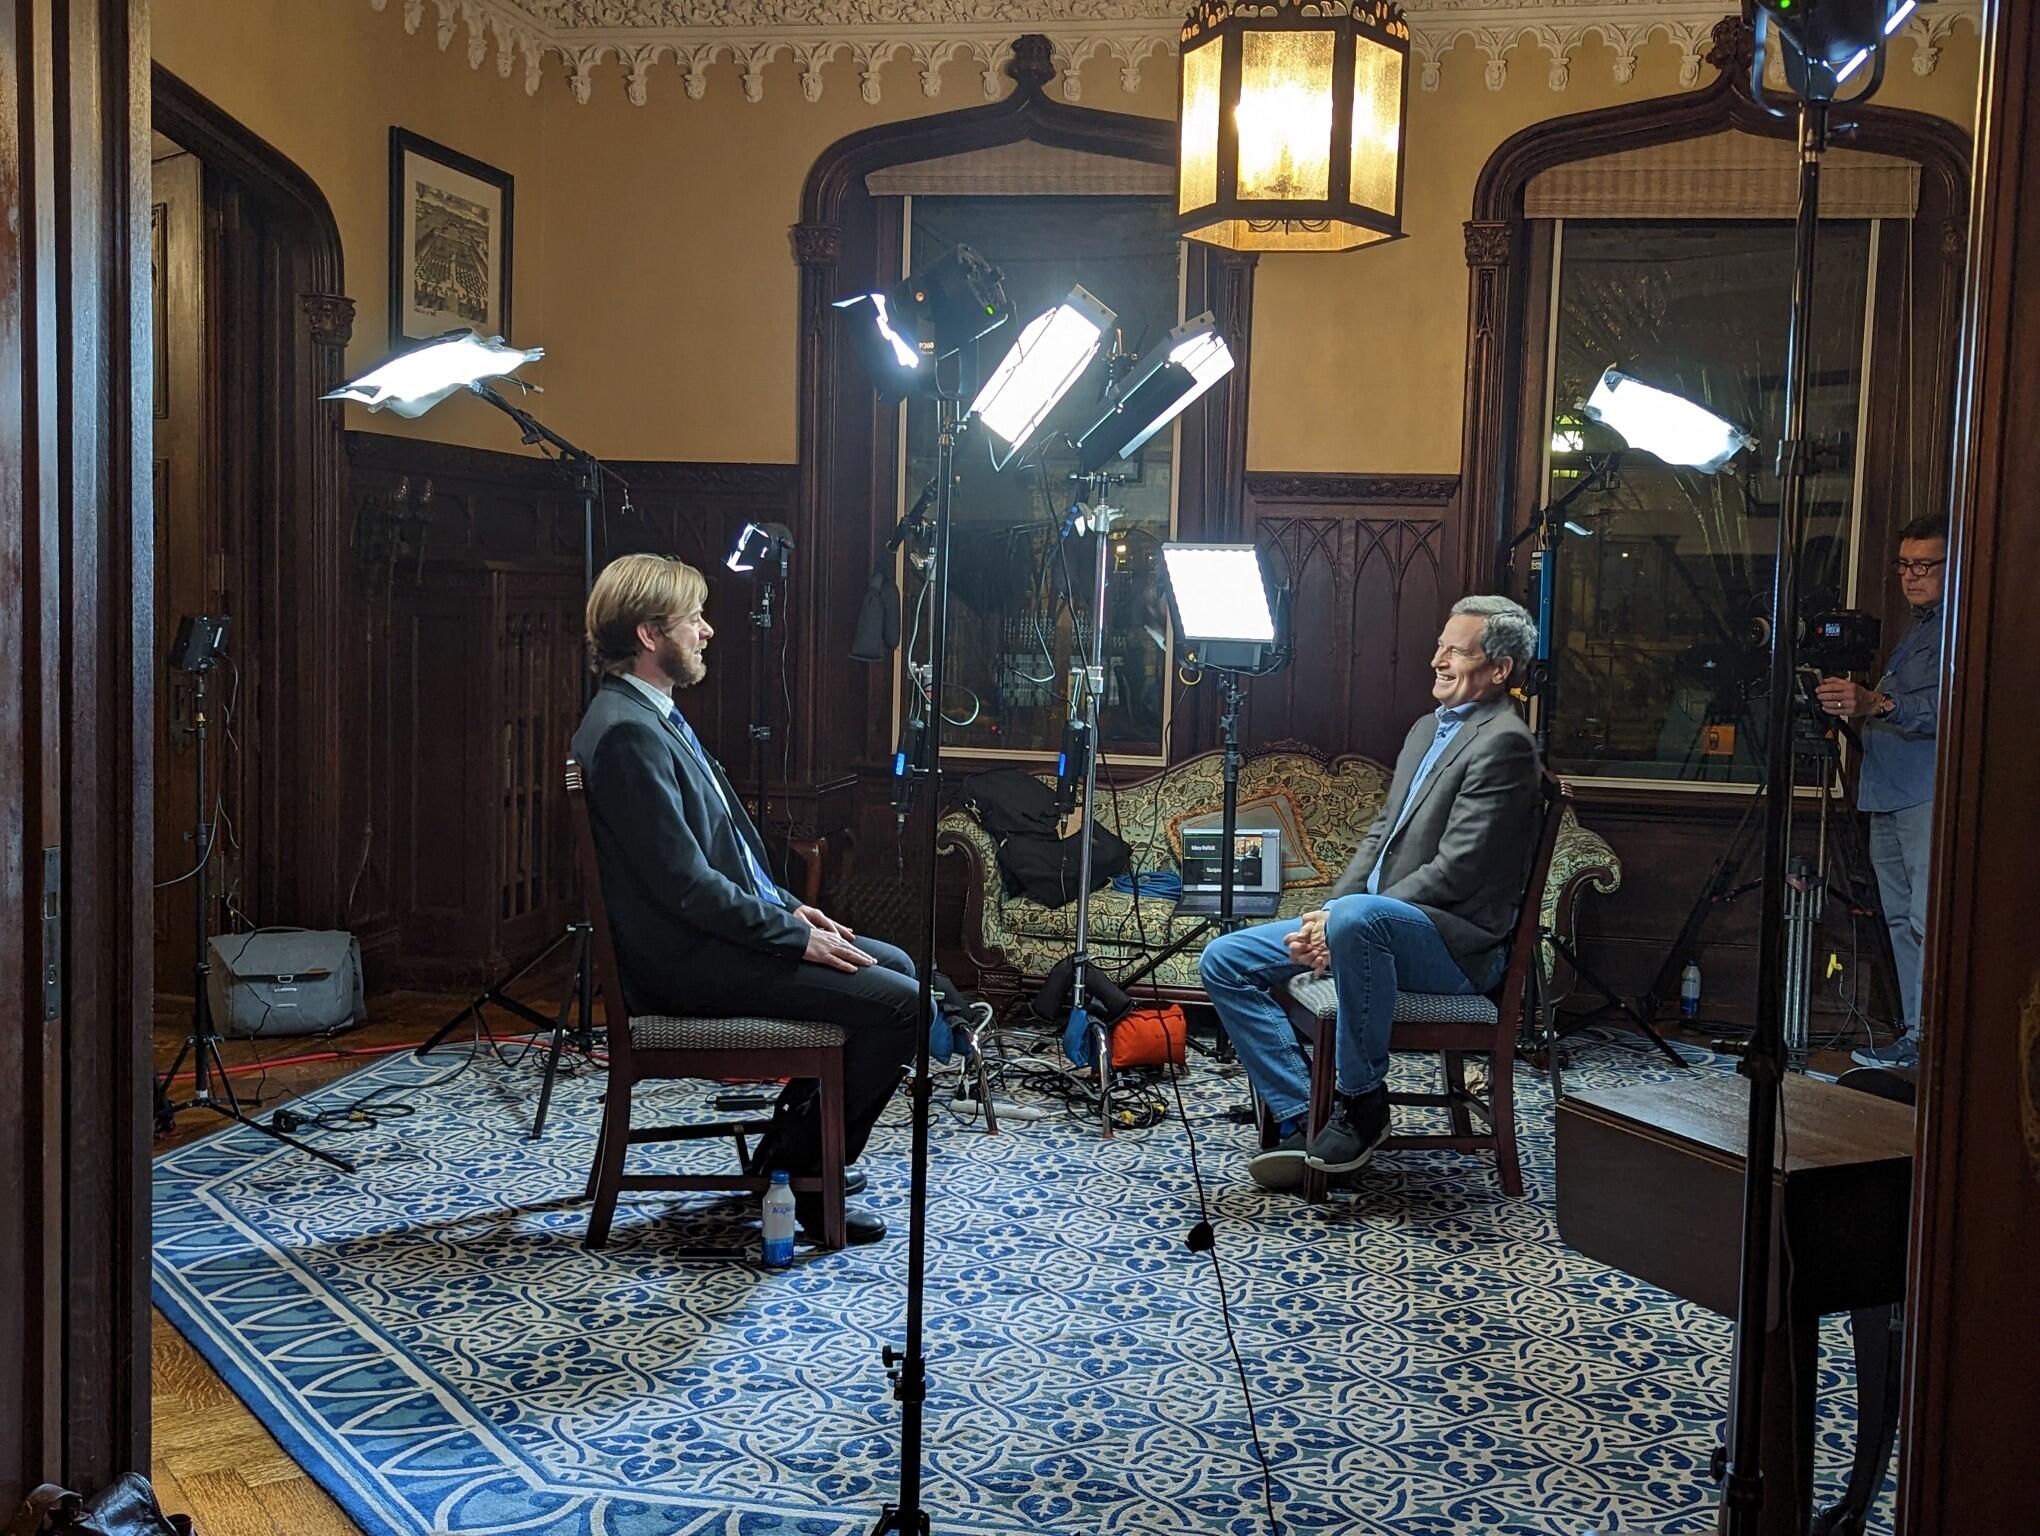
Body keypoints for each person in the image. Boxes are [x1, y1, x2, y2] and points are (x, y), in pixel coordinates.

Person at [571, 552, 915, 1244]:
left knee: (899, 966)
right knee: (904, 1006)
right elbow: (686, 887)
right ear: (648, 634)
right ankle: (806, 1180)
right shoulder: (630, 732)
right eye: (692, 618)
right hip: (687, 966)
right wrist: (793, 939)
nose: (707, 631)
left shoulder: (646, 715)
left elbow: (720, 856)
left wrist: (790, 908)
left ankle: (790, 1160)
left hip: (711, 941)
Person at [1198, 596, 1544, 1191]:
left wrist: (1349, 923)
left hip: (1453, 949)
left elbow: (1456, 871)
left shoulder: (1506, 744)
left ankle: (1362, 1103)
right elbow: (1382, 836)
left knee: (1360, 919)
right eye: (1439, 645)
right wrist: (1326, 917)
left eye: (1455, 651)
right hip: (1369, 926)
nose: (1436, 659)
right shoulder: (1426, 729)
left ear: (1501, 668)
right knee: (1224, 959)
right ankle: (1299, 1112)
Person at [1816, 514, 1946, 1069]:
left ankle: (1931, 1042)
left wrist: (1878, 703)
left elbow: (1948, 711)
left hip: (1923, 791)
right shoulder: (1919, 626)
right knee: (1899, 918)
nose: (1912, 576)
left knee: (1923, 918)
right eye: (1904, 565)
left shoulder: (1955, 626)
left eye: (1925, 566)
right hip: (1886, 790)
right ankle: (1917, 1036)